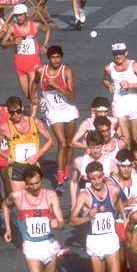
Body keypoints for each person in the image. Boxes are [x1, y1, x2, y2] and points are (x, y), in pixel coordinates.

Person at [70, 161, 125, 272]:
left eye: (99, 177)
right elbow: (72, 220)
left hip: (110, 239)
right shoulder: (84, 195)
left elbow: (119, 209)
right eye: (93, 178)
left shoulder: (114, 191)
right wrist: (88, 216)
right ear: (88, 179)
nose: (97, 181)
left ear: (104, 175)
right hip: (95, 241)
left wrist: (123, 219)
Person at [31, 46, 78, 195]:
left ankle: (67, 171)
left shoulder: (66, 71)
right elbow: (34, 82)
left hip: (68, 109)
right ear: (48, 58)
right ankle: (59, 179)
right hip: (54, 112)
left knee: (70, 144)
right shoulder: (41, 71)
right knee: (62, 143)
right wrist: (32, 94)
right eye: (53, 57)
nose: (56, 60)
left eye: (58, 57)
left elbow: (72, 96)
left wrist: (57, 85)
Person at [0, 95, 53, 193]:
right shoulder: (5, 127)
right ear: (8, 113)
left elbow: (50, 140)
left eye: (18, 111)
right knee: (19, 199)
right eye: (12, 113)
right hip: (16, 166)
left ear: (22, 108)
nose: (16, 115)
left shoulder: (35, 122)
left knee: (34, 196)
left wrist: (37, 155)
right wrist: (6, 157)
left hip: (33, 164)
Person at [102, 42, 137, 146]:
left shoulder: (134, 65)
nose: (118, 56)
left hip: (133, 102)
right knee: (125, 139)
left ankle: (136, 159)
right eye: (115, 53)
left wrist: (130, 85)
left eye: (121, 53)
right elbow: (105, 80)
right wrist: (109, 85)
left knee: (136, 139)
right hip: (119, 103)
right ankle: (126, 161)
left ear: (126, 53)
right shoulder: (109, 68)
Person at [0, 4, 50, 99]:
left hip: (33, 62)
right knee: (27, 95)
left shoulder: (34, 25)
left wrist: (45, 44)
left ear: (25, 14)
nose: (19, 18)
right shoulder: (12, 28)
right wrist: (12, 42)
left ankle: (34, 112)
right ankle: (35, 105)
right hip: (20, 63)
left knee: (32, 92)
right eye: (16, 15)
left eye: (21, 15)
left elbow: (47, 29)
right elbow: (3, 43)